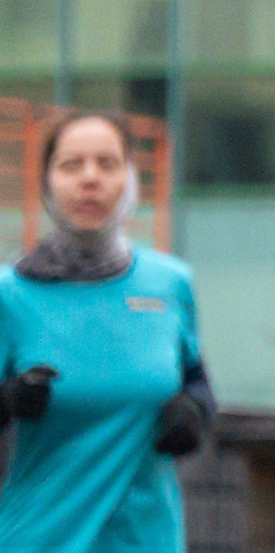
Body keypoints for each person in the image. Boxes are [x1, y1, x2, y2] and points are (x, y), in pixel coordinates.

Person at [0, 112, 214, 553]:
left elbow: (197, 379)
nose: (90, 178)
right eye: (71, 165)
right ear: (46, 184)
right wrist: (7, 400)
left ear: (130, 180)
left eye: (107, 163)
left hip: (147, 539)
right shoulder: (11, 294)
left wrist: (194, 409)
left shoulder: (170, 283)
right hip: (40, 537)